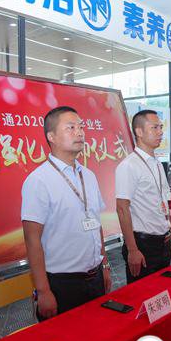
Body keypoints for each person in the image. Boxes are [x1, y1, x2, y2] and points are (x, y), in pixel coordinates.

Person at [21, 106, 111, 321]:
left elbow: (96, 224)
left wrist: (105, 265)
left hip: (95, 276)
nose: (79, 132)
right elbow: (32, 240)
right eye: (71, 128)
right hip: (63, 284)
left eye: (81, 127)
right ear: (51, 136)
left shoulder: (88, 175)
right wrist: (43, 291)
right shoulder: (38, 180)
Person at [116, 110, 171, 284]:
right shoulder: (129, 166)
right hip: (143, 244)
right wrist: (132, 249)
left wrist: (168, 234)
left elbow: (162, 202)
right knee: (143, 295)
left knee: (162, 292)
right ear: (139, 132)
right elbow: (122, 209)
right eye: (154, 127)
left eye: (161, 127)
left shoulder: (157, 163)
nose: (160, 132)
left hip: (163, 240)